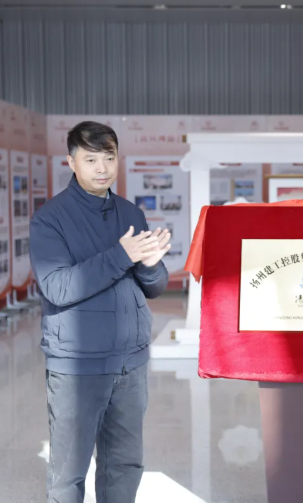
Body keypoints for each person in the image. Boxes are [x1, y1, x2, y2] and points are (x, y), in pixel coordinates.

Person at [29, 121, 171, 503]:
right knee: (68, 474)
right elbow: (57, 287)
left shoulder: (131, 213)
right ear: (71, 162)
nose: (102, 168)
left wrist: (151, 265)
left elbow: (154, 287)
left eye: (109, 157)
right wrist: (122, 255)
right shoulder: (50, 219)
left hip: (131, 363)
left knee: (125, 466)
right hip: (78, 365)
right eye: (91, 159)